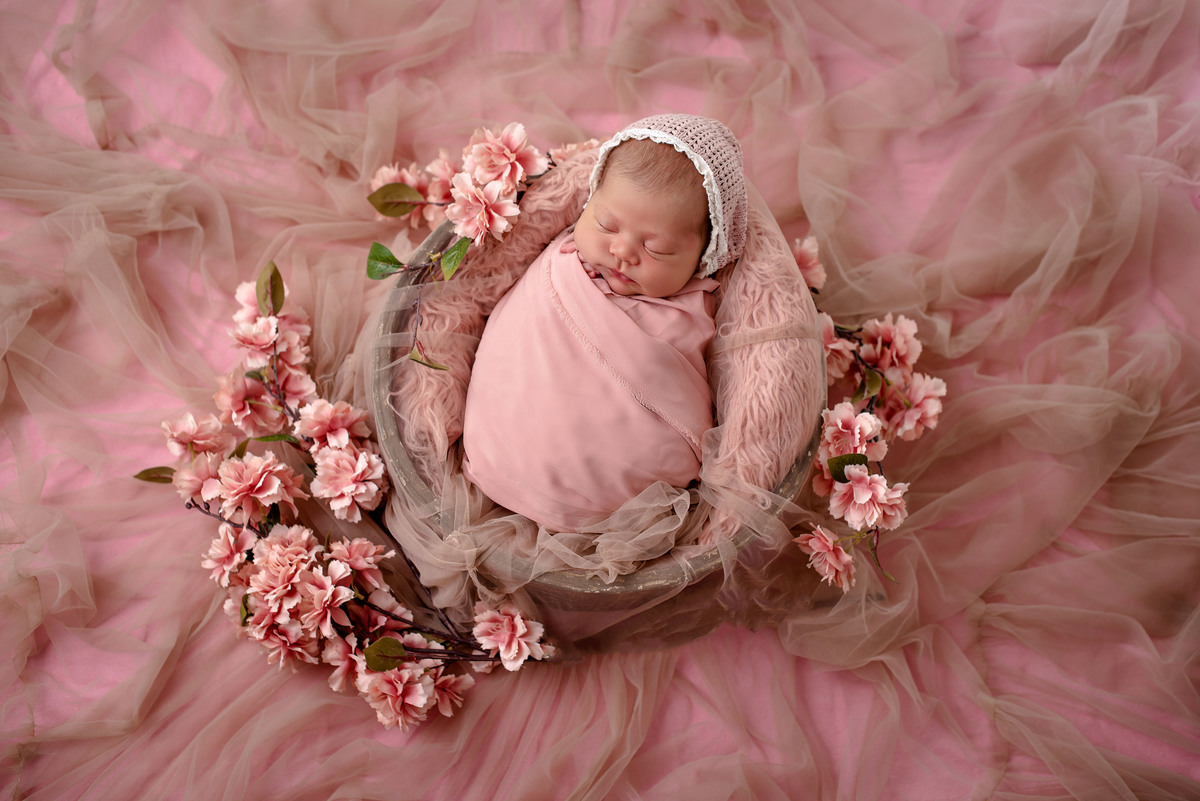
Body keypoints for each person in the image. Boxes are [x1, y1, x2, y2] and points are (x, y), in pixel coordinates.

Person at [461, 114, 748, 532]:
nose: (621, 251)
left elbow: (676, 392)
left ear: (705, 257)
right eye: (605, 224)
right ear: (588, 202)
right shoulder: (561, 266)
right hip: (496, 446)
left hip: (608, 500)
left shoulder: (688, 312)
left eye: (658, 248)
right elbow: (517, 335)